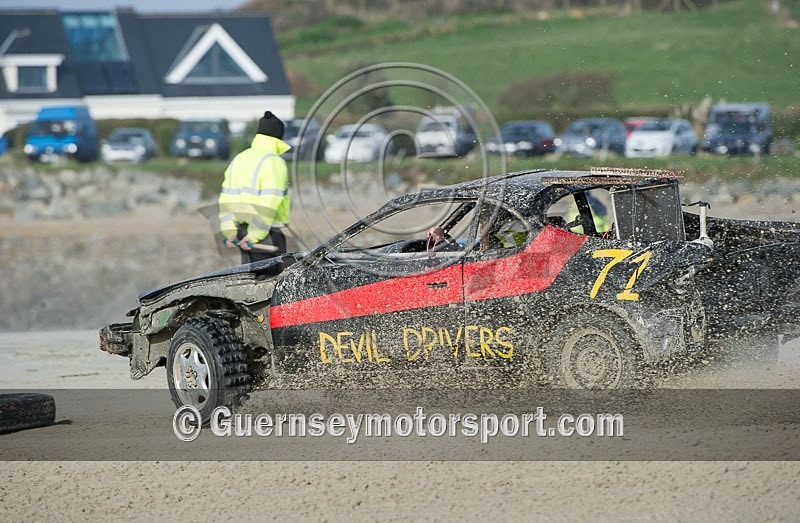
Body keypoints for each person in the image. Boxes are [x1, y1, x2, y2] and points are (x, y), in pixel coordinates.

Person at [218, 111, 291, 264]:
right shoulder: (274, 162)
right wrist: (254, 235)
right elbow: (269, 203)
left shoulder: (240, 158)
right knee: (274, 283)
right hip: (264, 235)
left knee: (252, 282)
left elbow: (225, 200)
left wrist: (230, 232)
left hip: (242, 233)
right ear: (279, 137)